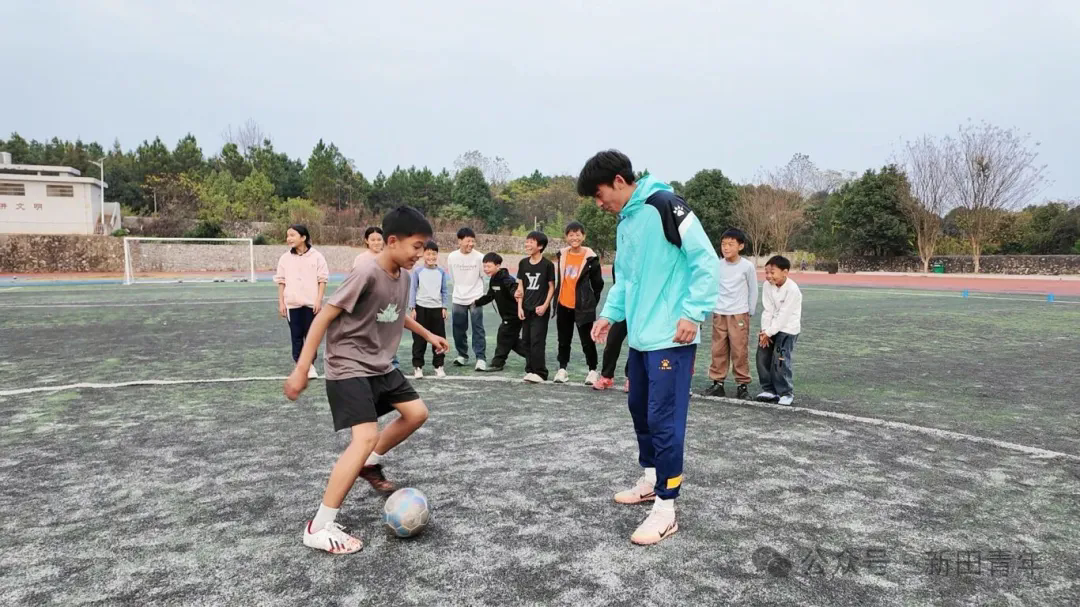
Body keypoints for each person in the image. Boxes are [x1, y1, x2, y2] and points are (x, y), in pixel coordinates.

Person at [284, 206, 449, 555]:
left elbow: (397, 313)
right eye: (416, 246)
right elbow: (324, 316)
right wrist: (302, 366)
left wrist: (429, 334)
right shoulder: (366, 272)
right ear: (393, 241)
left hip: (379, 365)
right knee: (364, 436)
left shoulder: (404, 277)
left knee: (416, 413)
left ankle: (369, 461)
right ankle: (319, 526)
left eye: (424, 248)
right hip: (348, 364)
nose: (420, 254)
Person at [579, 150, 719, 545]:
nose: (598, 203)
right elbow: (625, 279)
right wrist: (610, 314)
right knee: (639, 408)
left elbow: (705, 260)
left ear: (619, 181)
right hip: (641, 338)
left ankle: (666, 508)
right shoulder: (626, 221)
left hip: (671, 337)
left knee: (664, 418)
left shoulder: (665, 205)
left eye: (598, 194)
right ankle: (652, 478)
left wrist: (693, 313)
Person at [702, 228, 758, 400]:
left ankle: (742, 385)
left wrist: (750, 310)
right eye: (723, 244)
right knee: (718, 349)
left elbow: (753, 289)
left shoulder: (747, 266)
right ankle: (718, 383)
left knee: (739, 350)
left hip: (739, 313)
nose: (726, 248)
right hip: (720, 313)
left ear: (740, 246)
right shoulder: (717, 265)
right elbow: (711, 287)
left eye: (730, 244)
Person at [553, 221, 605, 386]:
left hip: (583, 307)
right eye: (571, 235)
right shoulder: (562, 255)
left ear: (583, 236)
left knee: (587, 340)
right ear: (566, 237)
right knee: (563, 339)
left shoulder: (591, 259)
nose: (574, 238)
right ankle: (562, 369)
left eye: (577, 235)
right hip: (563, 305)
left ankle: (592, 370)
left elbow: (598, 284)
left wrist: (590, 302)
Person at [274, 224, 329, 379]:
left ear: (303, 237)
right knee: (296, 336)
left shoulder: (317, 256)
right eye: (287, 236)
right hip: (292, 304)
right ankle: (300, 365)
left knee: (311, 336)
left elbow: (322, 280)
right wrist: (281, 302)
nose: (289, 239)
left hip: (311, 304)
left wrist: (319, 300)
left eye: (292, 235)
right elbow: (281, 281)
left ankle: (310, 364)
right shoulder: (285, 258)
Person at [756, 255, 802, 406]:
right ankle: (769, 390)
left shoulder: (792, 289)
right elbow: (767, 310)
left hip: (787, 329)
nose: (769, 276)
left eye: (772, 272)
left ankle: (785, 392)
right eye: (766, 272)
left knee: (780, 361)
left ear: (785, 272)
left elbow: (784, 315)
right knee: (762, 357)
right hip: (769, 329)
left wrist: (769, 332)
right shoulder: (767, 285)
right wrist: (764, 331)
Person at [472, 252, 527, 372]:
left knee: (503, 336)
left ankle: (497, 363)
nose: (486, 269)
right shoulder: (494, 279)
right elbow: (490, 295)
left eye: (489, 266)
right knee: (512, 341)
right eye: (484, 266)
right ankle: (533, 355)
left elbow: (513, 287)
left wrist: (515, 293)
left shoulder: (506, 278)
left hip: (514, 315)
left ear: (498, 266)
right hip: (506, 316)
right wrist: (476, 302)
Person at [515, 231, 556, 383]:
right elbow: (520, 287)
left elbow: (551, 287)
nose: (527, 244)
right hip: (526, 308)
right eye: (527, 241)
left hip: (540, 310)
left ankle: (540, 372)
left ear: (540, 246)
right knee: (526, 340)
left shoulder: (547, 265)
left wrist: (545, 305)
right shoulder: (523, 263)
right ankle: (530, 370)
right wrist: (519, 307)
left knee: (537, 340)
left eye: (531, 242)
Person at [447, 227, 487, 371]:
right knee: (458, 329)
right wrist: (460, 290)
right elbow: (452, 277)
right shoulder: (452, 257)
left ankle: (480, 358)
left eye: (473, 241)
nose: (471, 244)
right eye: (468, 241)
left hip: (476, 298)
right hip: (458, 297)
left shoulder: (480, 257)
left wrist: (478, 295)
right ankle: (462, 355)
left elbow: (483, 276)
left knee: (478, 328)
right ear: (459, 241)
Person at [409, 240, 450, 379]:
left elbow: (444, 291)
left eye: (434, 254)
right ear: (423, 255)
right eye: (428, 254)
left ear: (437, 255)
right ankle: (418, 367)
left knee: (438, 338)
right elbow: (413, 289)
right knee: (419, 339)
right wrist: (413, 307)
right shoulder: (418, 271)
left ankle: (439, 366)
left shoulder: (441, 272)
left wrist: (444, 306)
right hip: (421, 309)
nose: (431, 257)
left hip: (437, 309)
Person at [593, 252, 628, 393]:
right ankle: (607, 376)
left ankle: (632, 377)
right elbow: (618, 286)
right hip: (621, 309)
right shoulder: (621, 260)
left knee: (636, 346)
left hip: (641, 311)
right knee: (612, 341)